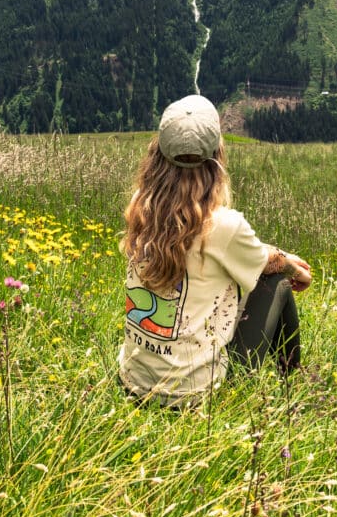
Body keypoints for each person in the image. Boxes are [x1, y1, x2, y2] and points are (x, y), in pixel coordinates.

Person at [118, 94, 312, 407]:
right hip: (192, 398)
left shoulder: (141, 206)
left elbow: (252, 253)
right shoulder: (223, 226)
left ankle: (295, 386)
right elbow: (269, 263)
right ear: (216, 157)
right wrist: (291, 266)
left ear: (156, 154)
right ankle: (295, 388)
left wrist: (276, 255)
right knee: (278, 284)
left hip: (133, 385)